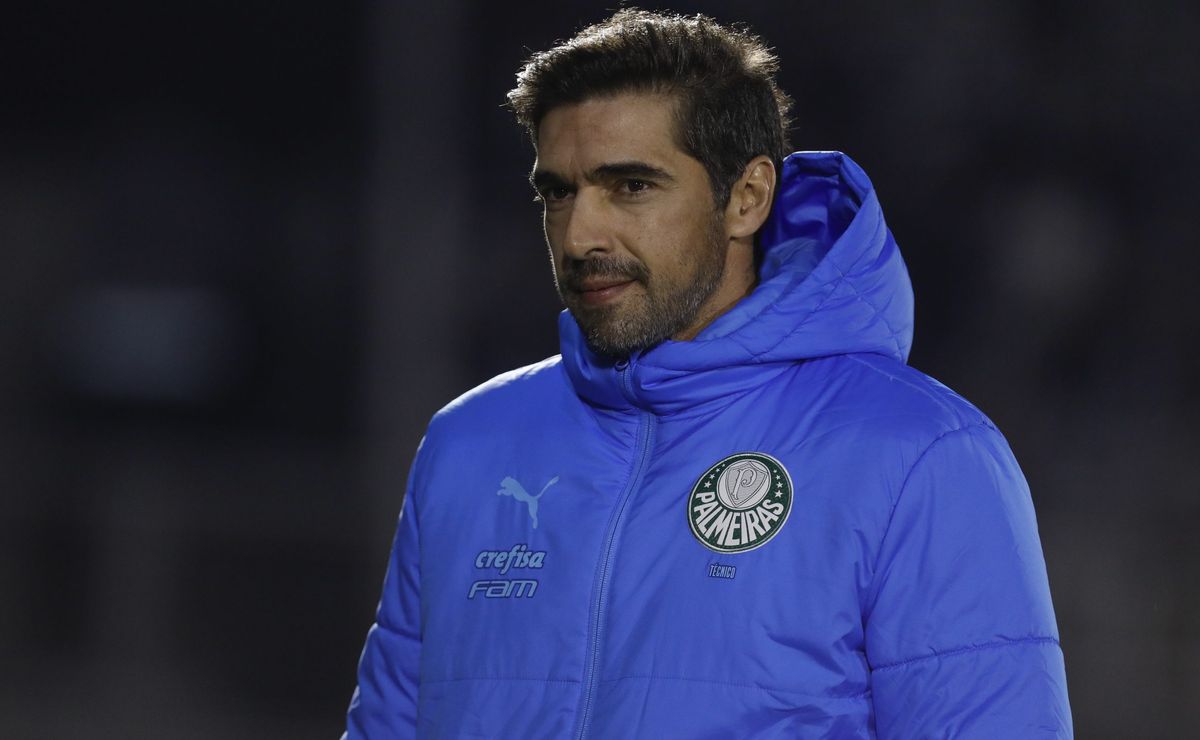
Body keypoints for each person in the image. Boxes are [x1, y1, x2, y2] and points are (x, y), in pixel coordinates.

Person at [343, 9, 1072, 738]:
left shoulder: (920, 453)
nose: (580, 235)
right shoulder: (469, 443)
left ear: (747, 197)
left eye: (630, 186)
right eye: (558, 192)